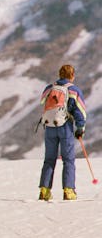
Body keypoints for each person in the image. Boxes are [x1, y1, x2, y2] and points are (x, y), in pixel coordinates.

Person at [38, 64, 87, 201]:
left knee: (49, 160)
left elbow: (42, 100)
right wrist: (80, 128)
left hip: (50, 126)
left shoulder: (49, 88)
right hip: (65, 126)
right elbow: (79, 111)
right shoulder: (74, 90)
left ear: (60, 74)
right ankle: (68, 190)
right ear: (72, 75)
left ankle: (44, 190)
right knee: (68, 160)